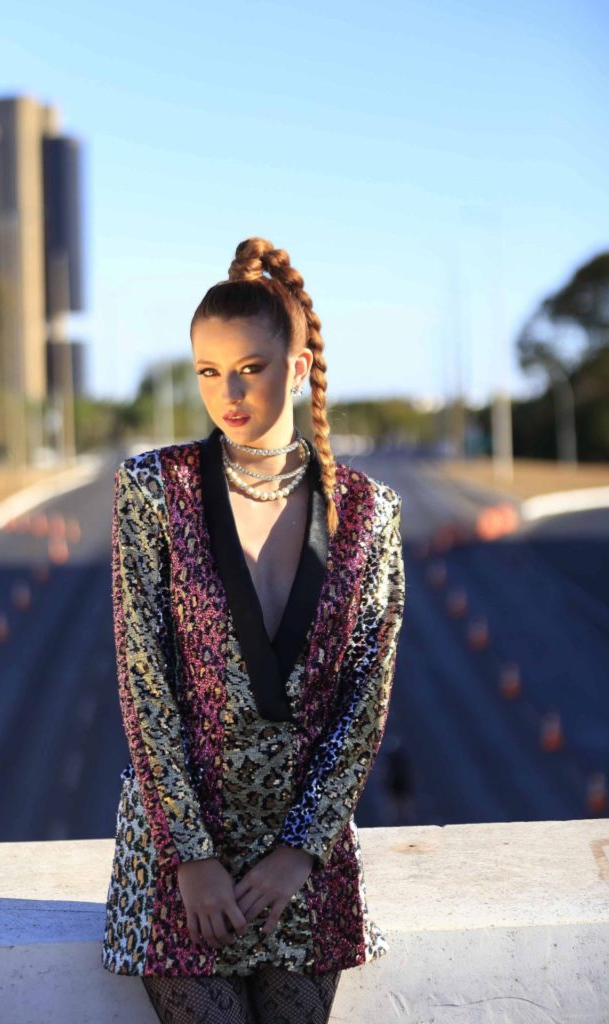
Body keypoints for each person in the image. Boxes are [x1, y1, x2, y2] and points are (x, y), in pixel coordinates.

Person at [101, 237, 406, 1023]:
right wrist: (190, 858)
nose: (228, 392)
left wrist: (300, 851)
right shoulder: (152, 490)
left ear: (297, 369)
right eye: (208, 371)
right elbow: (143, 683)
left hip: (302, 865)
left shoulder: (369, 513)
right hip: (181, 862)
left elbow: (365, 698)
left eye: (250, 368)